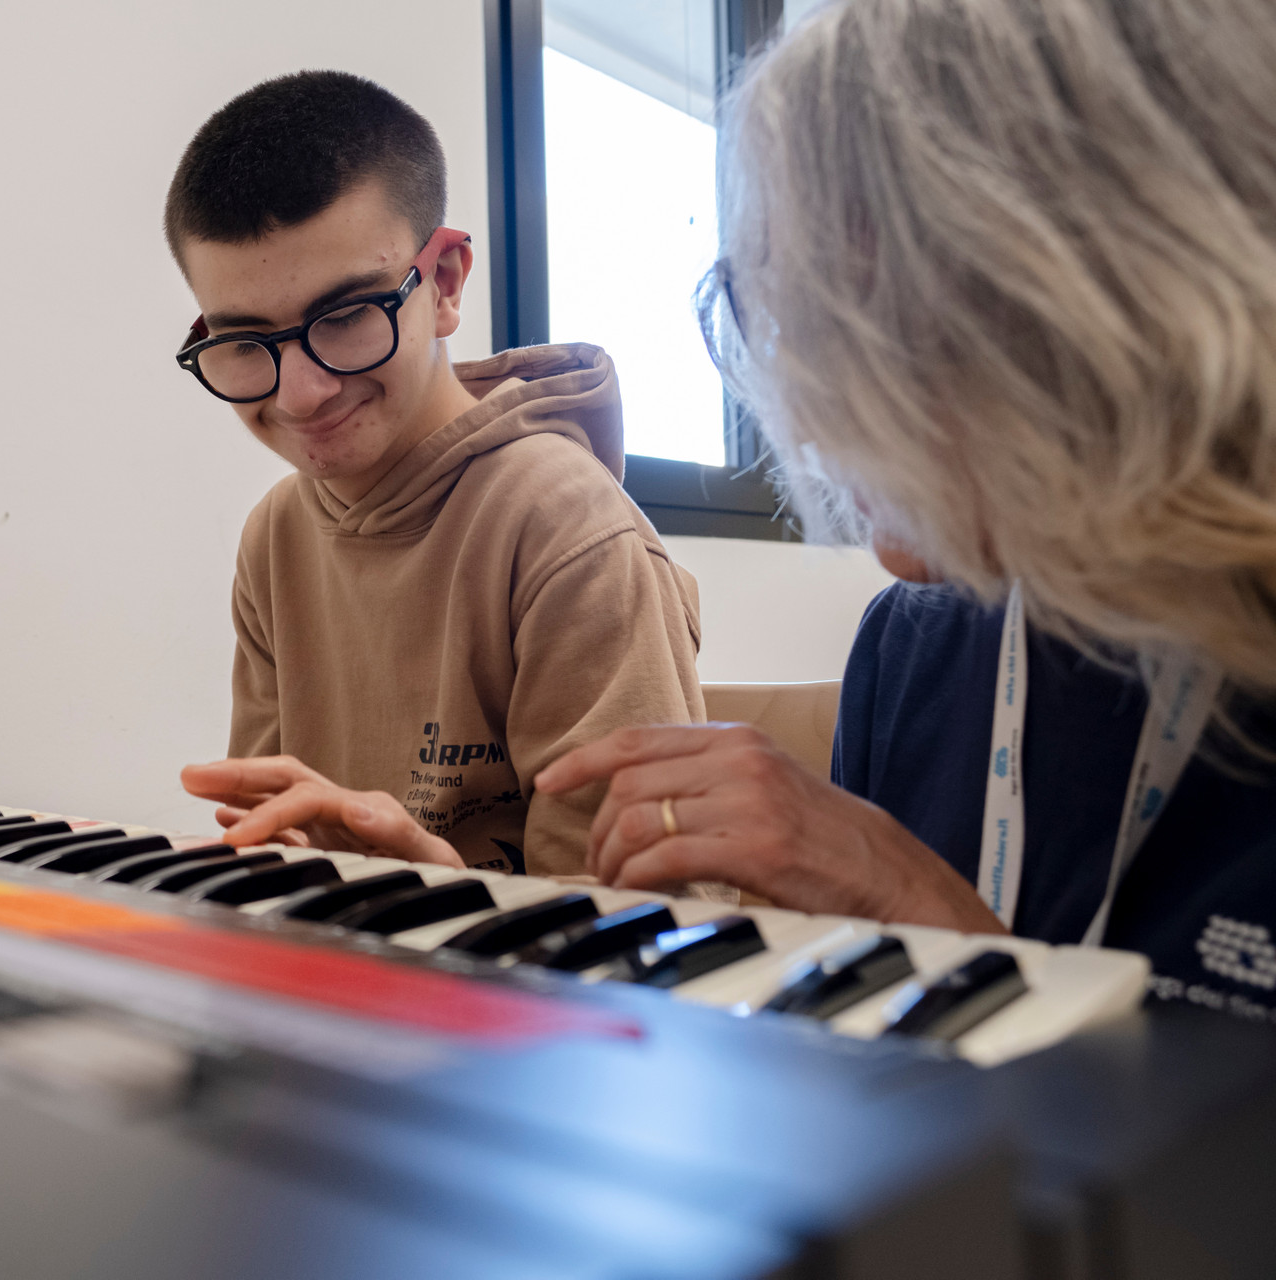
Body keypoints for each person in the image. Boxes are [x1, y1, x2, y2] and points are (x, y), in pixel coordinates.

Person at [221, 0, 1276, 1010]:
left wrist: (913, 899)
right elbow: (896, 1086)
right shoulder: (917, 652)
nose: (893, 550)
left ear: (1154, 306)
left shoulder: (564, 519)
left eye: (910, 369)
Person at [164, 71, 705, 877]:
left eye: (345, 317)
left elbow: (655, 928)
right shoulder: (276, 531)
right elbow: (274, 848)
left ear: (445, 284)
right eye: (246, 342)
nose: (301, 394)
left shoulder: (565, 527)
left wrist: (438, 885)